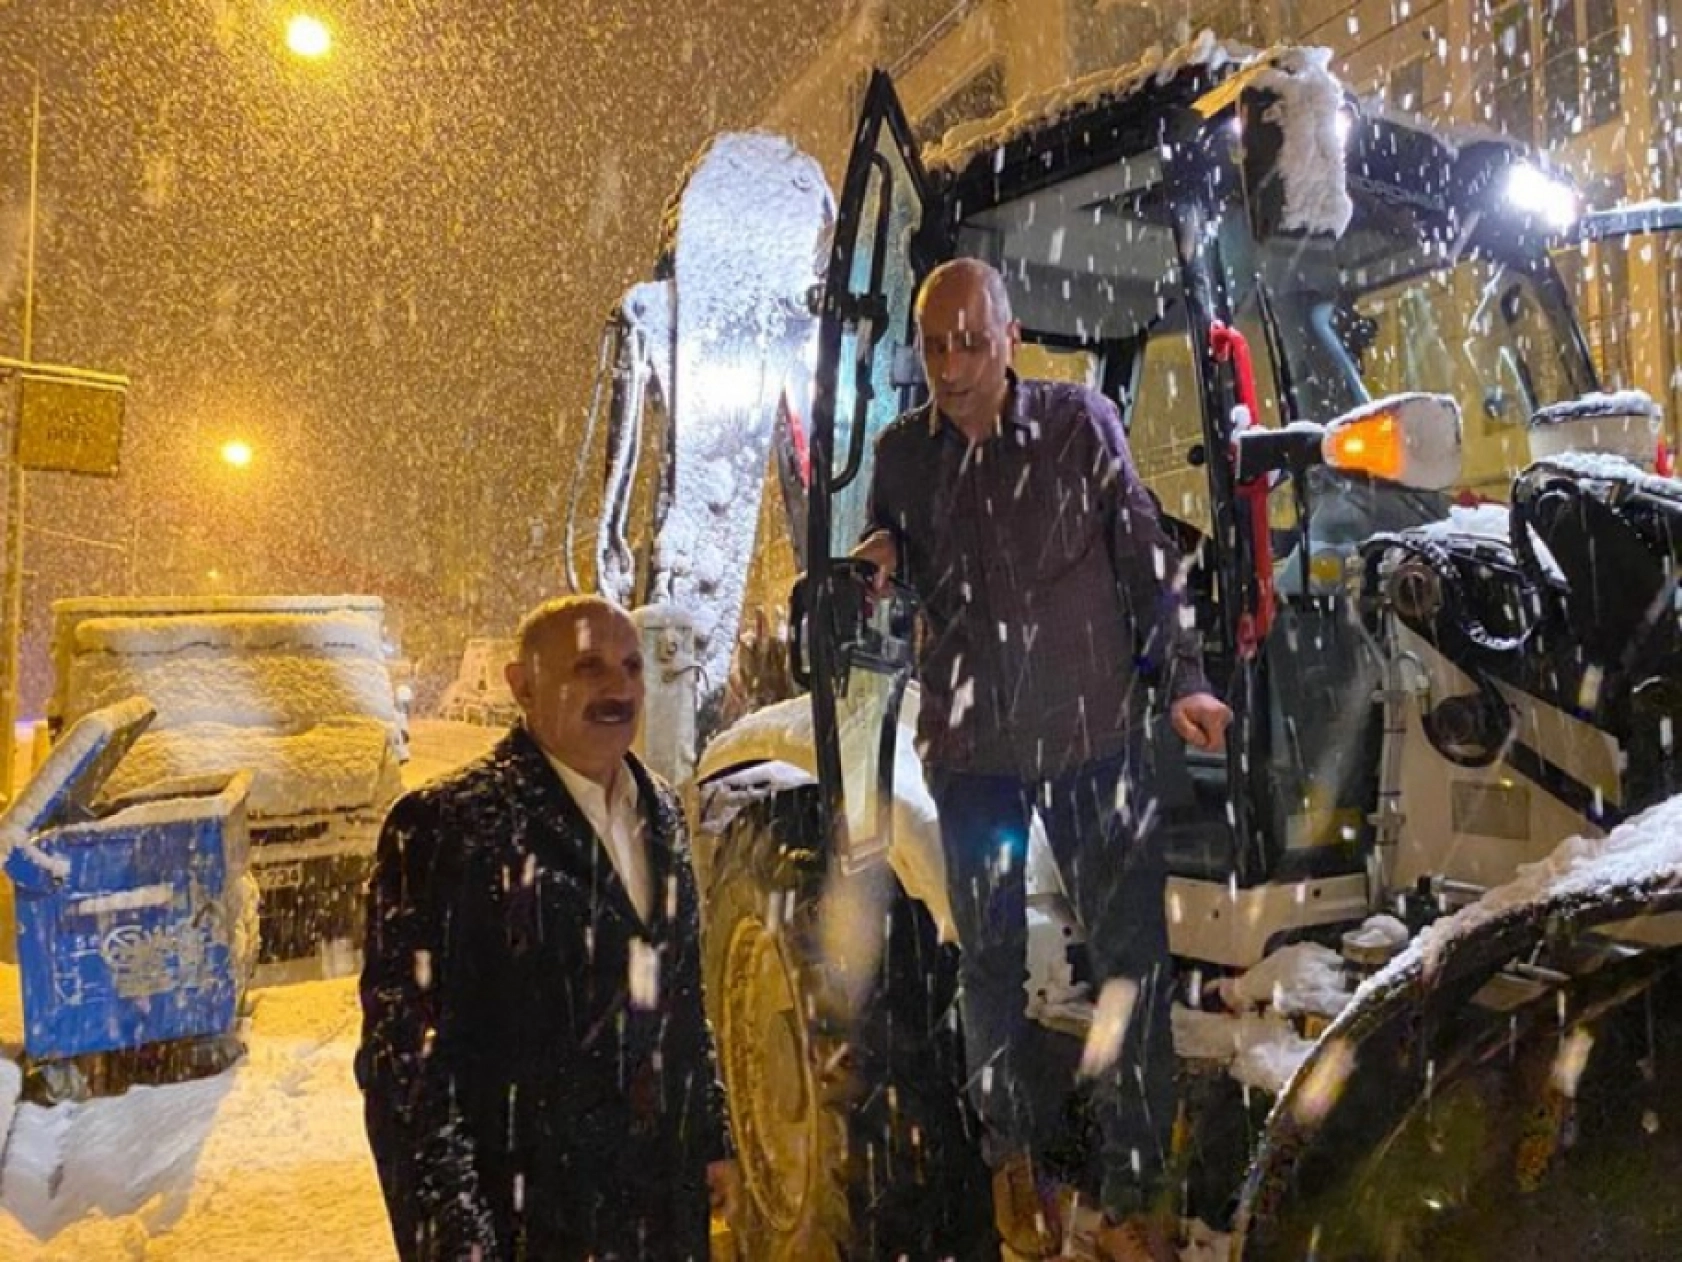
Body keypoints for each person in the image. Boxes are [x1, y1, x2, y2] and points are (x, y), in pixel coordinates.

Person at [854, 258, 1232, 1262]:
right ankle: (1009, 1160)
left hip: (1091, 737)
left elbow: (1140, 552)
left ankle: (1132, 1190)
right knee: (984, 959)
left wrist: (1184, 676)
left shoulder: (1077, 426)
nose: (950, 363)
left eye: (969, 340)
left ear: (1009, 337)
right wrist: (877, 560)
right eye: (934, 343)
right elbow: (885, 543)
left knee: (1128, 961)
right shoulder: (902, 454)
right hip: (971, 751)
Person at [357, 594, 737, 1261]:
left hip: (661, 1215)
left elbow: (681, 1001)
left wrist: (711, 1140)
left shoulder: (664, 814)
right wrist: (455, 1240)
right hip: (531, 1222)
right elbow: (407, 1069)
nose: (619, 688)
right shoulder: (446, 827)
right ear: (522, 686)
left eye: (631, 667)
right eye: (588, 668)